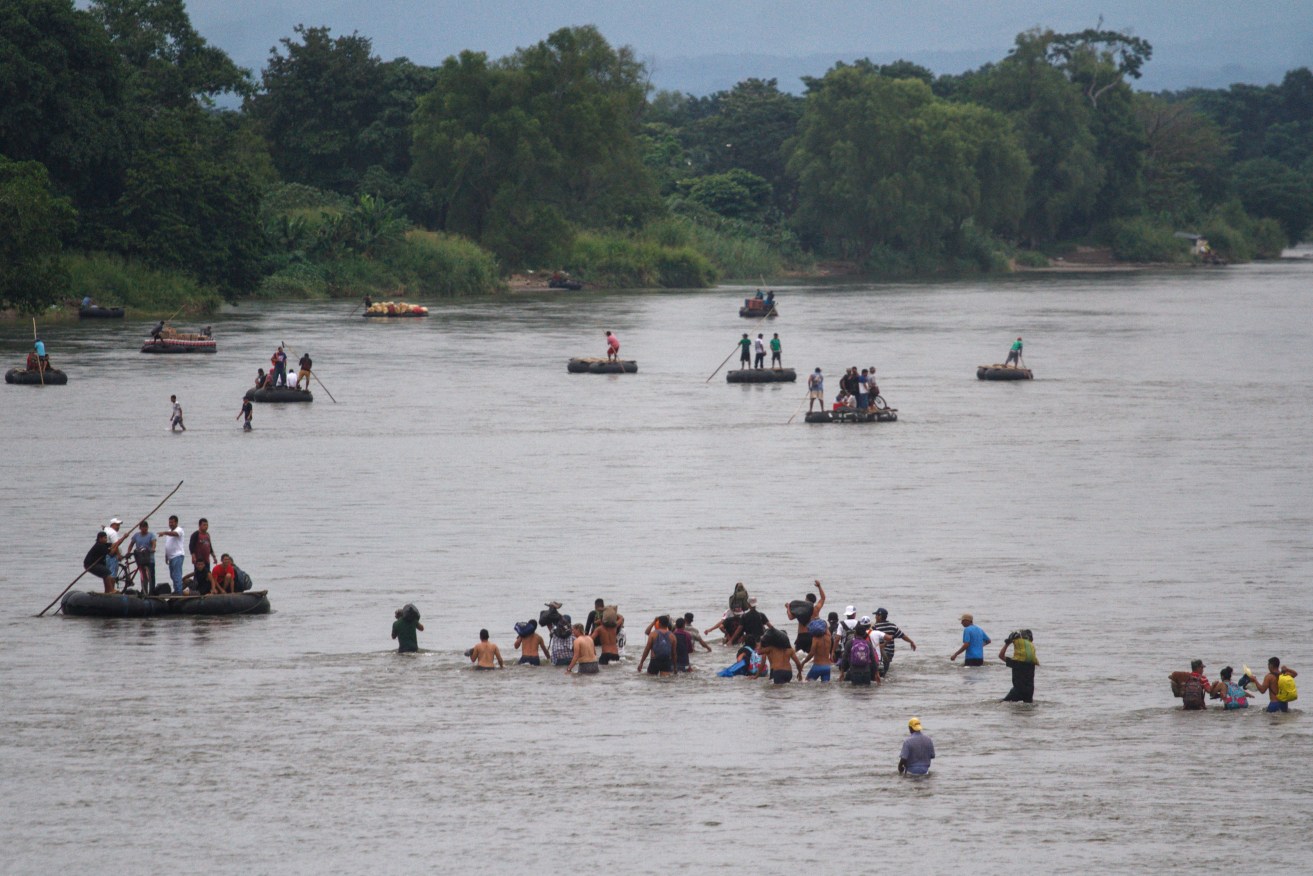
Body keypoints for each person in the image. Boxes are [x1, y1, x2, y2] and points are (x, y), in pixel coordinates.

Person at [785, 580, 826, 654]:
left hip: (801, 636)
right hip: (811, 635)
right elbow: (823, 598)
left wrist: (788, 607)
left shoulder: (800, 611)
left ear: (806, 600)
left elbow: (790, 617)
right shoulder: (816, 609)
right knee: (810, 656)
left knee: (799, 657)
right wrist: (819, 586)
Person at [872, 608, 917, 675]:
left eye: (876, 615)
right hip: (889, 655)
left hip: (878, 654)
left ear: (880, 616)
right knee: (884, 673)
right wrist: (911, 642)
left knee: (877, 673)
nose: (875, 617)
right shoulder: (892, 626)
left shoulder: (875, 627)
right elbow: (902, 636)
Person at [998, 630, 1039, 703]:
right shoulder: (1032, 663)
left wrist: (1007, 643)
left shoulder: (1015, 662)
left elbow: (1001, 656)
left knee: (1002, 704)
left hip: (1018, 690)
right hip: (1030, 690)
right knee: (1027, 710)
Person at [843, 617, 880, 685]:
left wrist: (842, 672)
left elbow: (844, 658)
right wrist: (876, 673)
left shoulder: (850, 643)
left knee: (855, 692)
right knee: (866, 693)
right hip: (867, 672)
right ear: (864, 634)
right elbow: (873, 659)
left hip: (854, 672)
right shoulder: (868, 643)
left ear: (855, 632)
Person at [158, 516, 186, 594]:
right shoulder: (168, 531)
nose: (171, 524)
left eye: (172, 522)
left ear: (176, 522)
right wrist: (166, 556)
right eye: (170, 522)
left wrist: (164, 533)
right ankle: (177, 591)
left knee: (177, 576)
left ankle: (179, 594)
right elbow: (168, 544)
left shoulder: (179, 530)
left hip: (178, 556)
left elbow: (175, 534)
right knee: (172, 576)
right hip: (171, 557)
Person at [188, 518, 217, 594]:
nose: (206, 526)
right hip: (199, 561)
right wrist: (193, 556)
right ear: (200, 525)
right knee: (198, 575)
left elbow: (210, 546)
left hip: (206, 560)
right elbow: (191, 546)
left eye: (207, 525)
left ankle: (208, 590)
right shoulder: (196, 534)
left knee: (207, 575)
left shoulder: (207, 535)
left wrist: (213, 556)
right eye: (204, 525)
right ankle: (195, 589)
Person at [127, 520, 156, 592]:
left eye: (146, 527)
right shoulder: (136, 535)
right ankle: (144, 590)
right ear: (140, 528)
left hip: (149, 557)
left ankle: (152, 591)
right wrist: (128, 552)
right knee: (143, 575)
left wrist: (153, 548)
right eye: (143, 527)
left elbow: (154, 543)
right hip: (140, 557)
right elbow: (131, 544)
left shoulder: (151, 535)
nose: (145, 529)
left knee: (151, 575)